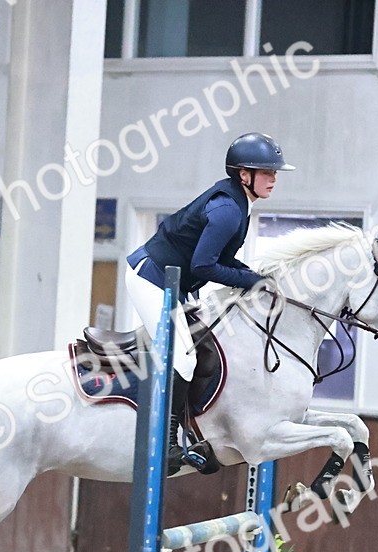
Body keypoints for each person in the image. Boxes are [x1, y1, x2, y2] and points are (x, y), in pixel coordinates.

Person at [124, 132, 295, 471]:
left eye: (274, 173)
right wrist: (252, 280)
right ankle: (168, 444)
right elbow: (204, 265)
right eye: (267, 172)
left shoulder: (239, 202)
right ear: (243, 174)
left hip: (176, 281)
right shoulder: (228, 209)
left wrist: (257, 277)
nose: (274, 179)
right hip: (151, 279)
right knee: (184, 357)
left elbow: (221, 260)